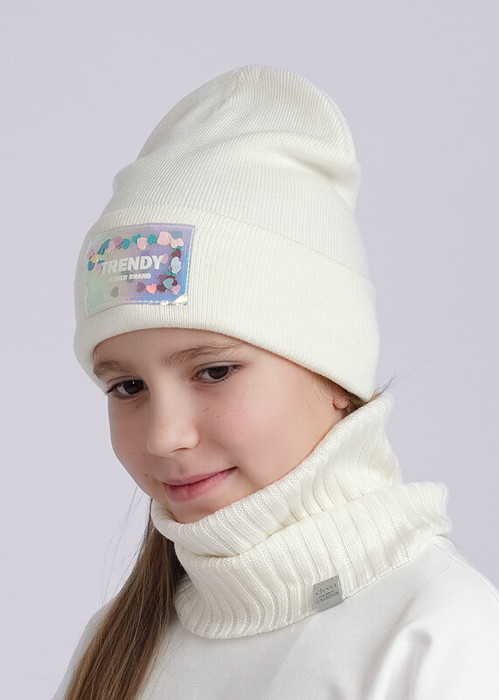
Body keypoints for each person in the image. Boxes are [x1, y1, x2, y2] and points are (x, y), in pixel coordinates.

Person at [55, 66, 499, 699]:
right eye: (127, 387)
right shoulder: (115, 646)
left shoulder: (438, 635)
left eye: (214, 371)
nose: (164, 436)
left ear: (334, 373)